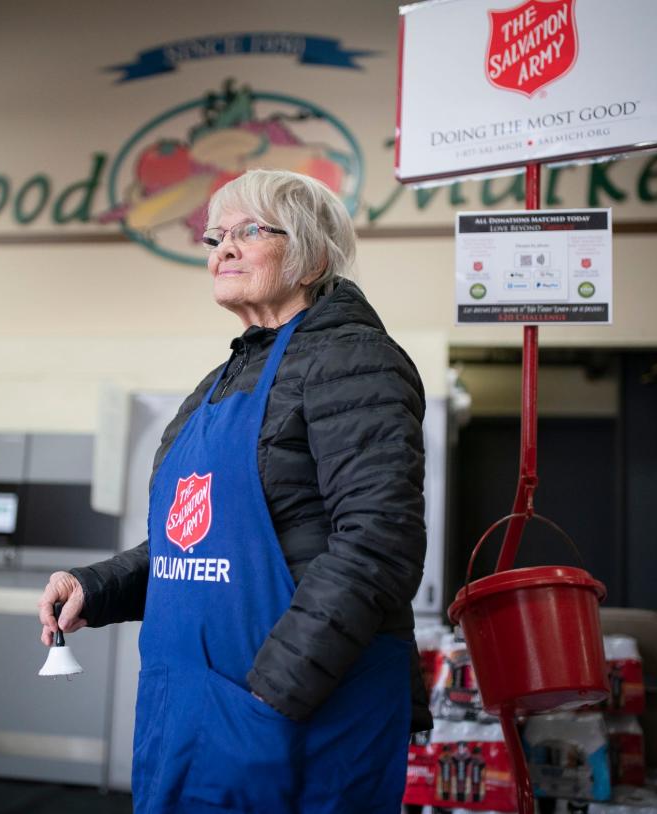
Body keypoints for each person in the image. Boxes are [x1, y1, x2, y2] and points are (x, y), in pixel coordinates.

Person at [39, 169, 429, 813]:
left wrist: (271, 695)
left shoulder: (355, 359)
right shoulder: (220, 381)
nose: (221, 248)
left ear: (313, 256)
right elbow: (196, 537)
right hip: (194, 713)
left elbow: (379, 541)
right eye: (215, 235)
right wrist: (97, 585)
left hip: (295, 715)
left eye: (248, 231)